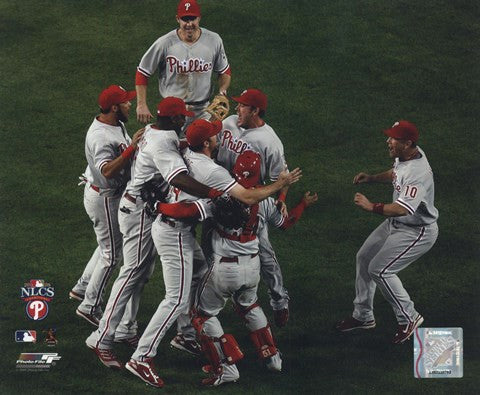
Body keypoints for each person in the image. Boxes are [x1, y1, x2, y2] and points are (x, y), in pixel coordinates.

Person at [124, 120, 301, 388]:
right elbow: (247, 200)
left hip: (195, 242)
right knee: (177, 299)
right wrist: (283, 184)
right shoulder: (218, 176)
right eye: (214, 135)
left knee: (199, 287)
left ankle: (192, 339)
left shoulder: (186, 153)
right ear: (206, 143)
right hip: (181, 236)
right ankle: (143, 357)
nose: (220, 137)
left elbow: (190, 207)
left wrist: (157, 202)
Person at [85, 98, 231, 369]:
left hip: (144, 206)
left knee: (171, 272)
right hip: (139, 210)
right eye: (182, 118)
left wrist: (206, 124)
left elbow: (182, 144)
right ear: (174, 120)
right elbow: (177, 177)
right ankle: (102, 338)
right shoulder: (163, 143)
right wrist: (214, 193)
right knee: (132, 272)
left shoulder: (157, 130)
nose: (184, 121)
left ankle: (180, 332)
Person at [336, 121, 439, 344]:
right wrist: (372, 178)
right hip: (398, 223)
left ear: (408, 143)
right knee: (364, 257)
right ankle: (363, 316)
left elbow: (403, 208)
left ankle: (409, 317)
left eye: (394, 139)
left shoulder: (418, 172)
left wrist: (371, 206)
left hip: (417, 231)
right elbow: (395, 174)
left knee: (380, 269)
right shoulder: (408, 156)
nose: (388, 141)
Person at [216, 88, 291, 327]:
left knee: (266, 255)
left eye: (242, 106)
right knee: (210, 248)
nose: (237, 109)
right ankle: (211, 299)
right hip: (220, 197)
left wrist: (282, 199)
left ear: (255, 111)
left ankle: (280, 301)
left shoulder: (270, 142)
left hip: (249, 204)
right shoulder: (228, 122)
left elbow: (283, 176)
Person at [73, 85, 144, 326]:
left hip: (106, 194)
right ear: (114, 107)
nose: (130, 105)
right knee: (112, 255)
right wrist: (133, 148)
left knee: (108, 245)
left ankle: (83, 287)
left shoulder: (115, 123)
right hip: (105, 197)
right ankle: (89, 306)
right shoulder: (100, 136)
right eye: (126, 102)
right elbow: (106, 169)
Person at [135, 0, 231, 128]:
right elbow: (142, 72)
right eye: (185, 19)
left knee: (206, 144)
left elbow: (224, 71)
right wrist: (141, 104)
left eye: (193, 19)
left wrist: (222, 92)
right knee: (169, 146)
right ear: (177, 19)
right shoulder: (164, 43)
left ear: (199, 18)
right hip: (172, 113)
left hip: (203, 110)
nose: (189, 24)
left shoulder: (214, 40)